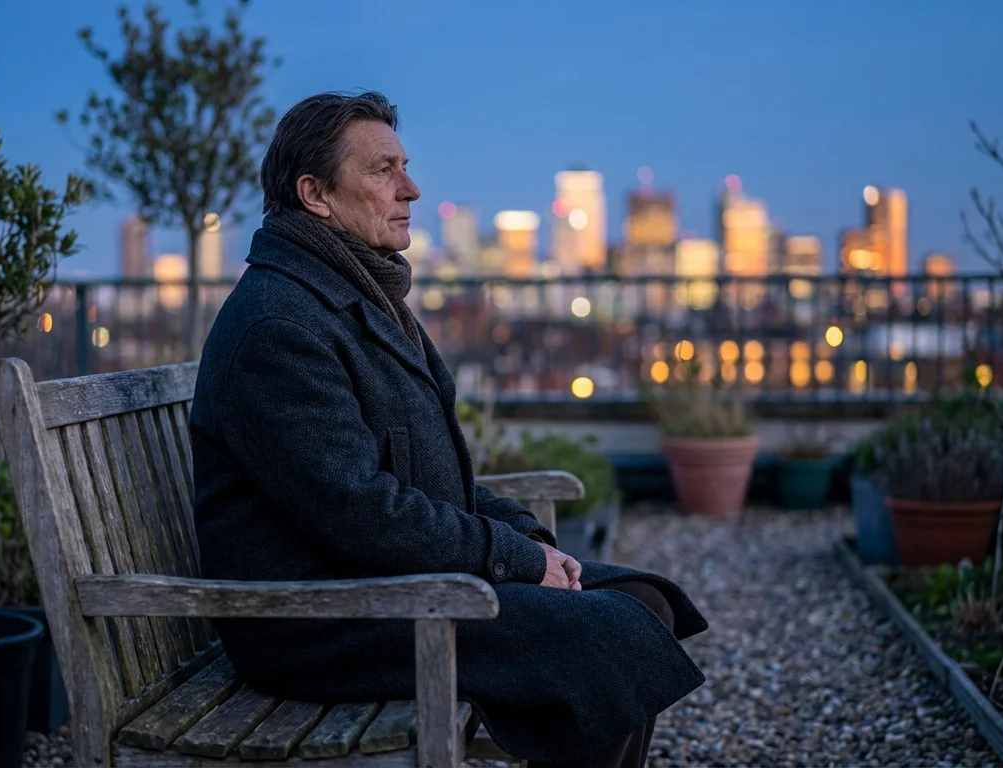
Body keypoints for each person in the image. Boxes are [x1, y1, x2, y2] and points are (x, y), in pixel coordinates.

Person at [189, 91, 708, 768]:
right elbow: (362, 513)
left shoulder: (353, 296)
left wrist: (525, 536)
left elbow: (425, 474)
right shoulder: (279, 325)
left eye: (404, 166)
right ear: (314, 193)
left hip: (385, 585)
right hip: (320, 620)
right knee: (604, 637)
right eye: (383, 171)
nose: (411, 188)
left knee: (641, 600)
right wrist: (517, 560)